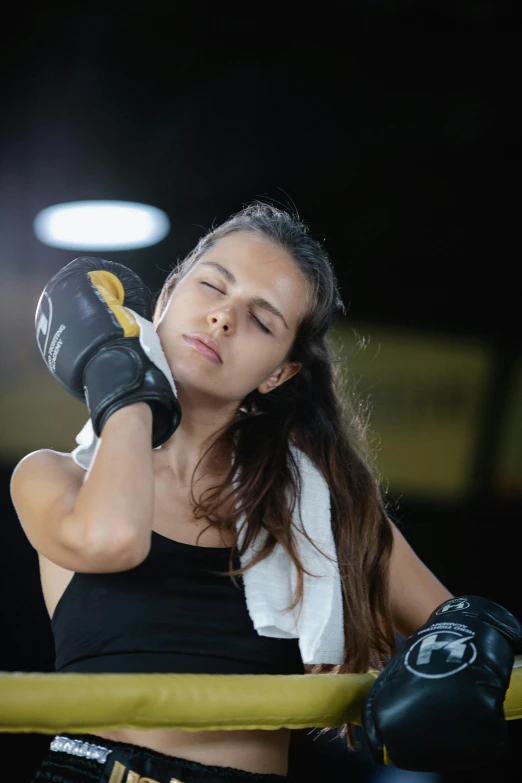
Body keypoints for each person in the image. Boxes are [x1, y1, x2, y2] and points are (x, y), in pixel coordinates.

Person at [9, 201, 521, 783]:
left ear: (279, 372)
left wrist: (471, 643)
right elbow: (113, 540)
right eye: (211, 287)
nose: (224, 318)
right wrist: (121, 383)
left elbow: (455, 630)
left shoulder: (326, 503)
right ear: (167, 295)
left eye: (262, 319)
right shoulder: (55, 475)